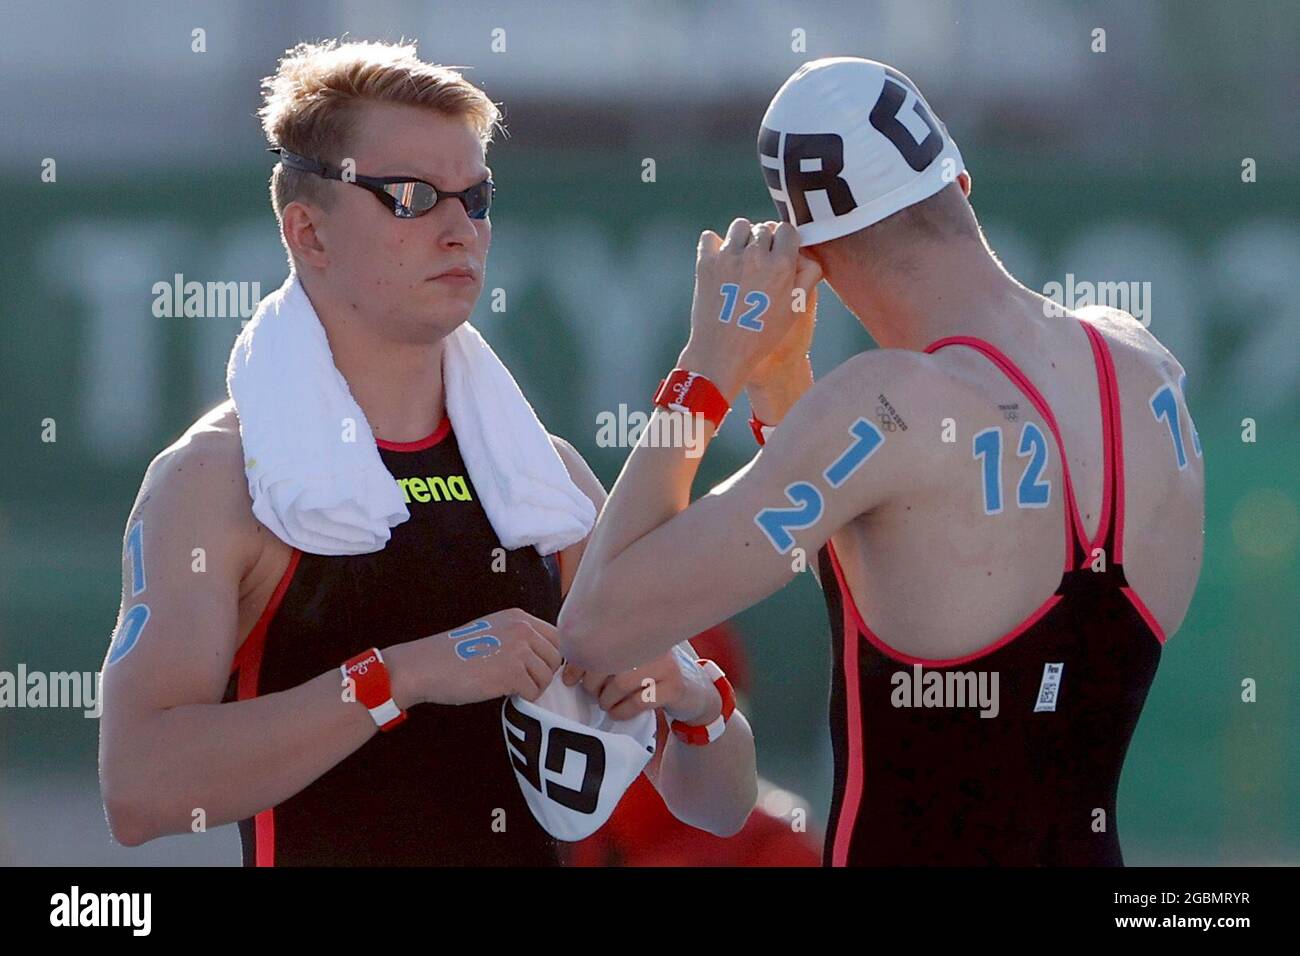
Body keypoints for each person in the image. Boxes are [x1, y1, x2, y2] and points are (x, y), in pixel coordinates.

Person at [97, 38, 756, 866]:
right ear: (309, 231)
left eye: (475, 198)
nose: (459, 230)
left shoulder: (541, 479)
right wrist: (398, 679)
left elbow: (721, 807)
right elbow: (139, 788)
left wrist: (697, 702)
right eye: (411, 196)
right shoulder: (219, 479)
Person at [560, 57, 1204, 866]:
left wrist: (709, 364)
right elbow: (901, 562)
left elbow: (597, 623)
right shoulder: (1144, 366)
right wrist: (786, 381)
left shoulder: (884, 404)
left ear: (810, 253)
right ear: (959, 183)